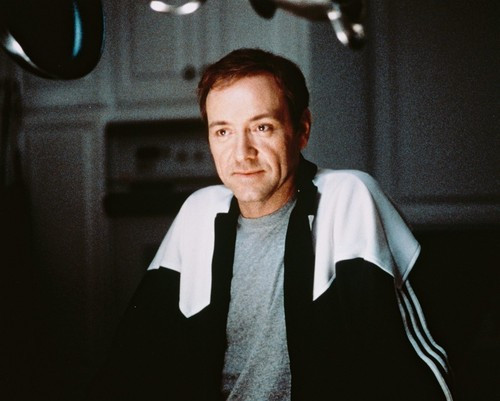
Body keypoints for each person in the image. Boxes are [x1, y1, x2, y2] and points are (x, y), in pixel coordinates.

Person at [88, 48, 454, 401]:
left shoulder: (348, 198)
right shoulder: (198, 214)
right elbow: (131, 363)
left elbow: (420, 366)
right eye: (223, 132)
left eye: (262, 127)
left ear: (302, 129)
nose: (242, 154)